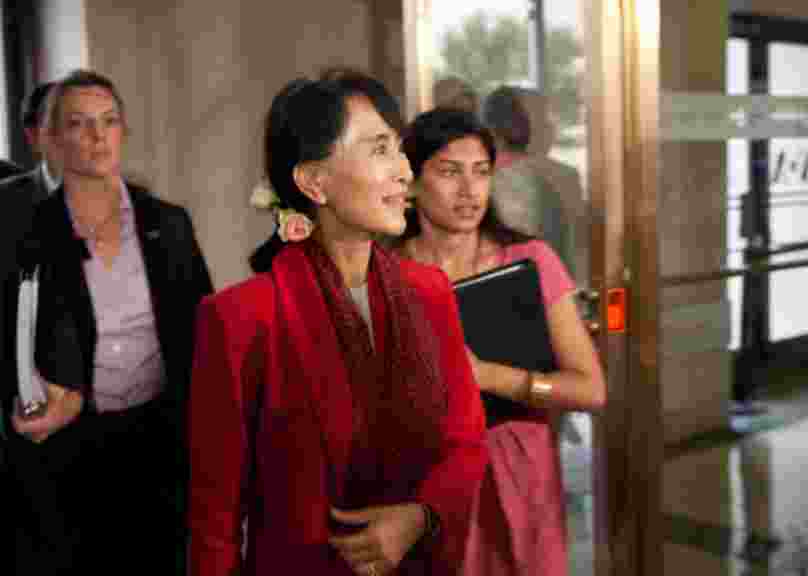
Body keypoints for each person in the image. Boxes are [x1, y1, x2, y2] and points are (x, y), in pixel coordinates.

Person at [188, 71, 488, 576]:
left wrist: (418, 517)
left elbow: (467, 443)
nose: (403, 171)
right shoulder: (241, 318)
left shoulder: (429, 293)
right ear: (313, 182)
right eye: (378, 149)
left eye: (398, 148)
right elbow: (215, 520)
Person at [2, 69, 213, 574]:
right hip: (66, 449)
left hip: (158, 443)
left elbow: (203, 332)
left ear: (123, 132)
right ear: (49, 140)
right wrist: (20, 400)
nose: (97, 136)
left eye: (109, 121)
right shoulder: (20, 225)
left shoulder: (168, 222)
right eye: (78, 123)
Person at [396, 107, 606, 575]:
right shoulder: (386, 272)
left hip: (519, 468)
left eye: (481, 172)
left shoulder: (530, 260)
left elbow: (590, 389)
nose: (469, 191)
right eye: (449, 172)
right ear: (411, 181)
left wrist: (491, 377)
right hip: (423, 475)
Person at [482, 85, 575, 279]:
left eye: (550, 119)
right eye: (542, 119)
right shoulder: (564, 178)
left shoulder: (565, 178)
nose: (551, 128)